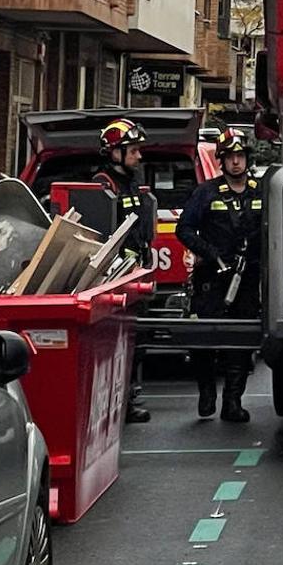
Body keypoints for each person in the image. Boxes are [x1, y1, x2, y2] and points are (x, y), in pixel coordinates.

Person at [176, 128, 263, 422]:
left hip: (248, 279)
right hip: (212, 278)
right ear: (221, 161)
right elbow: (184, 229)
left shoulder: (260, 191)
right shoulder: (206, 192)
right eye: (230, 157)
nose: (236, 162)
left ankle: (233, 403)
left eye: (240, 156)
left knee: (240, 340)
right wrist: (210, 252)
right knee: (205, 337)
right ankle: (207, 392)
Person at [95, 118, 155, 424]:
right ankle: (115, 403)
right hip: (113, 278)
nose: (138, 156)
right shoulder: (102, 185)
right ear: (114, 152)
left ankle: (130, 398)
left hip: (135, 274)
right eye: (133, 150)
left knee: (135, 339)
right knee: (112, 341)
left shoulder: (134, 183)